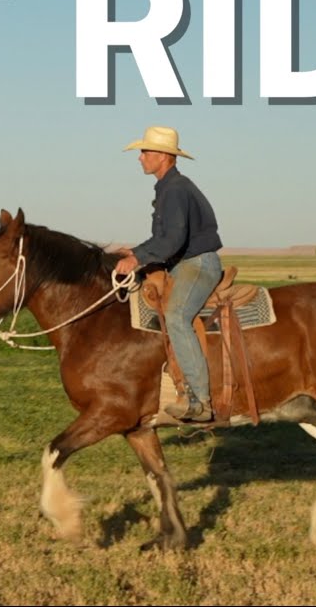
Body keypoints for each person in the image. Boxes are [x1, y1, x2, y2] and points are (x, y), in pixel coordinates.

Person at [114, 126, 223, 422]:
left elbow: (173, 241)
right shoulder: (169, 187)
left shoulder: (175, 190)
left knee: (176, 316)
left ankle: (200, 400)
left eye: (145, 152)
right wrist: (135, 251)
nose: (140, 158)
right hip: (184, 262)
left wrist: (137, 257)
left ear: (163, 156)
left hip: (196, 264)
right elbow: (163, 239)